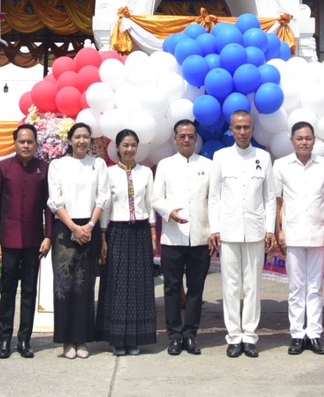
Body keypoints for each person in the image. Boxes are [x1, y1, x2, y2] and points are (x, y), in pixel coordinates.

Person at [208, 110, 273, 358]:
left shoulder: (264, 157)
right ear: (231, 130)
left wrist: (269, 229)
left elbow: (269, 197)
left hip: (256, 230)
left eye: (246, 127)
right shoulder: (221, 156)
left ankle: (250, 336)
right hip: (229, 229)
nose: (243, 132)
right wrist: (215, 227)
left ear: (253, 129)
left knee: (253, 286)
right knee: (231, 285)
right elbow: (214, 197)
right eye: (238, 128)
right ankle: (234, 336)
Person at [270, 121, 324, 356]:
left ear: (314, 140)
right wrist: (279, 229)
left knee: (315, 287)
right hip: (293, 233)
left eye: (308, 138)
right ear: (292, 141)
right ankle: (297, 334)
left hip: (319, 233)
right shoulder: (280, 165)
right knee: (296, 287)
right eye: (299, 138)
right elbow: (277, 201)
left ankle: (315, 334)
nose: (304, 142)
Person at [0, 123, 51, 360]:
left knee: (29, 292)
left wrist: (48, 236)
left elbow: (49, 207)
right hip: (8, 241)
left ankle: (24, 340)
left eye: (30, 142)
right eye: (21, 141)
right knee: (7, 292)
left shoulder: (44, 169)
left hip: (34, 241)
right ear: (15, 143)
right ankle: (4, 339)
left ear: (36, 144)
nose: (25, 146)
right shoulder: (2, 168)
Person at [150, 118, 210, 355]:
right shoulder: (165, 165)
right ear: (175, 139)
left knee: (196, 289)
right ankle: (174, 336)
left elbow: (213, 200)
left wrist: (213, 230)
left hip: (200, 237)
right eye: (182, 136)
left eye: (191, 136)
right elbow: (156, 198)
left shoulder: (208, 164)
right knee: (172, 288)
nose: (186, 139)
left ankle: (190, 335)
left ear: (196, 139)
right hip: (173, 237)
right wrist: (169, 212)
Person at [48, 121, 108, 359]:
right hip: (65, 228)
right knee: (64, 286)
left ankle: (82, 340)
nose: (82, 141)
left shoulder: (98, 164)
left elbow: (102, 198)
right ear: (70, 140)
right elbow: (55, 200)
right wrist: (73, 226)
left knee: (84, 287)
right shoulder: (57, 165)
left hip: (90, 227)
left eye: (86, 137)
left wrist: (90, 226)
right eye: (77, 137)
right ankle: (66, 341)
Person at [97, 129, 157, 355]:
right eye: (125, 145)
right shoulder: (109, 173)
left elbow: (150, 204)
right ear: (117, 148)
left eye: (133, 145)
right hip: (117, 231)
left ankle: (135, 338)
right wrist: (103, 237)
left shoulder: (145, 173)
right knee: (117, 284)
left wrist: (152, 234)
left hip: (141, 230)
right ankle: (116, 338)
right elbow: (105, 205)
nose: (129, 149)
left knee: (140, 284)